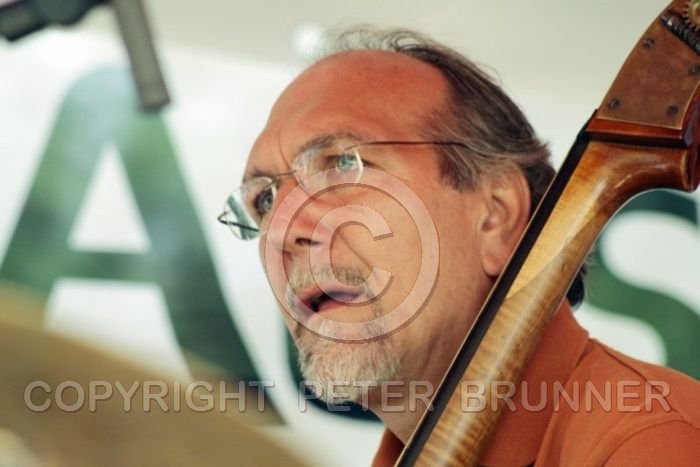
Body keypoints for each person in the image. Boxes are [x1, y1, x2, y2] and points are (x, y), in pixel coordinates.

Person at [219, 28, 700, 465]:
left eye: (343, 164)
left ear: (495, 216)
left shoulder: (648, 446)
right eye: (264, 201)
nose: (281, 230)